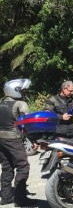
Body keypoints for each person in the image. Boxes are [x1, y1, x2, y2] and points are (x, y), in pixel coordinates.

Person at [0, 79, 37, 207]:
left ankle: (6, 197)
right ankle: (21, 200)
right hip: (13, 138)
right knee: (23, 166)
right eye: (21, 90)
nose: (24, 93)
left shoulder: (1, 103)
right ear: (15, 90)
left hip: (1, 139)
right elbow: (27, 124)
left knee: (7, 166)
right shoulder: (20, 104)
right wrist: (33, 139)